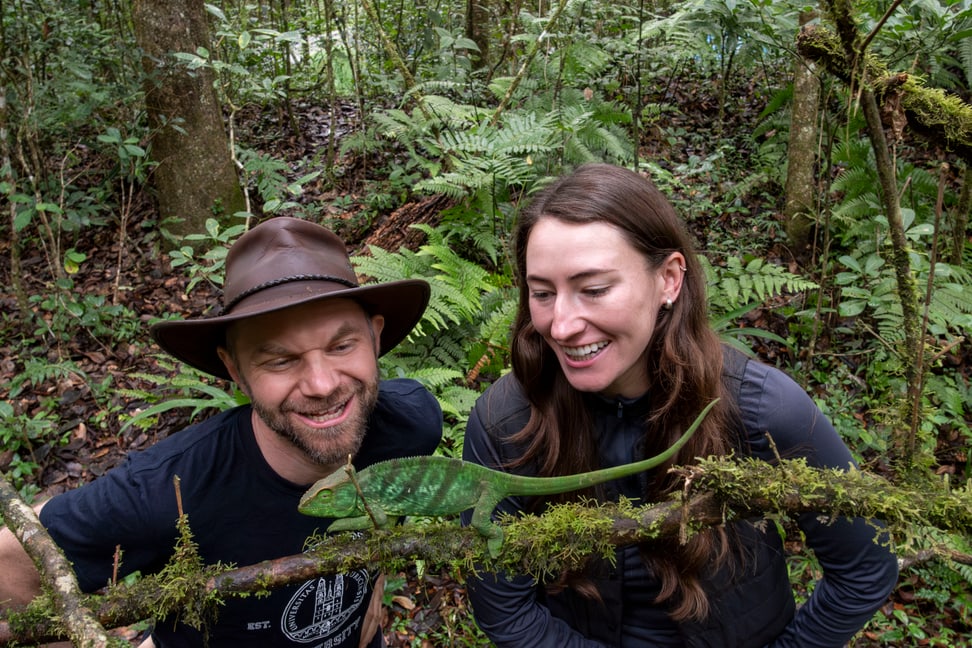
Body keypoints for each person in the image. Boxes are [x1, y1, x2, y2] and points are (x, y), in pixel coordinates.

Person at [461, 163, 898, 647]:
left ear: (668, 279)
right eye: (542, 293)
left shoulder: (762, 410)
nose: (561, 326)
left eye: (595, 289)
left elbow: (865, 567)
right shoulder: (507, 421)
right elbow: (504, 607)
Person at [0, 217, 442, 647]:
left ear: (375, 337)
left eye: (342, 345)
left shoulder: (409, 426)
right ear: (235, 369)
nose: (323, 385)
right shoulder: (170, 489)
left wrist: (375, 585)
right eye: (280, 360)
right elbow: (10, 567)